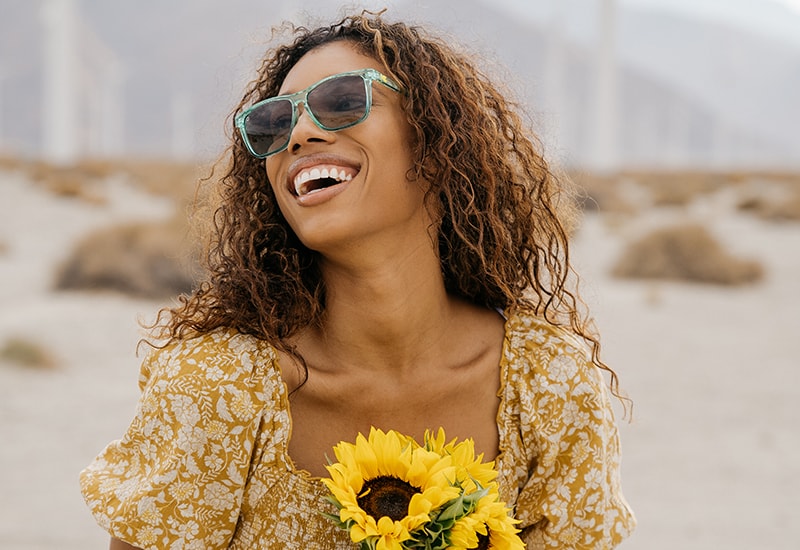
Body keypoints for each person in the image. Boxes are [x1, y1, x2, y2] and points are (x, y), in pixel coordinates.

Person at [80, 11, 635, 549]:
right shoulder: (220, 389)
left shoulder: (548, 386)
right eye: (272, 124)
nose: (298, 134)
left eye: (342, 102)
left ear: (438, 141)